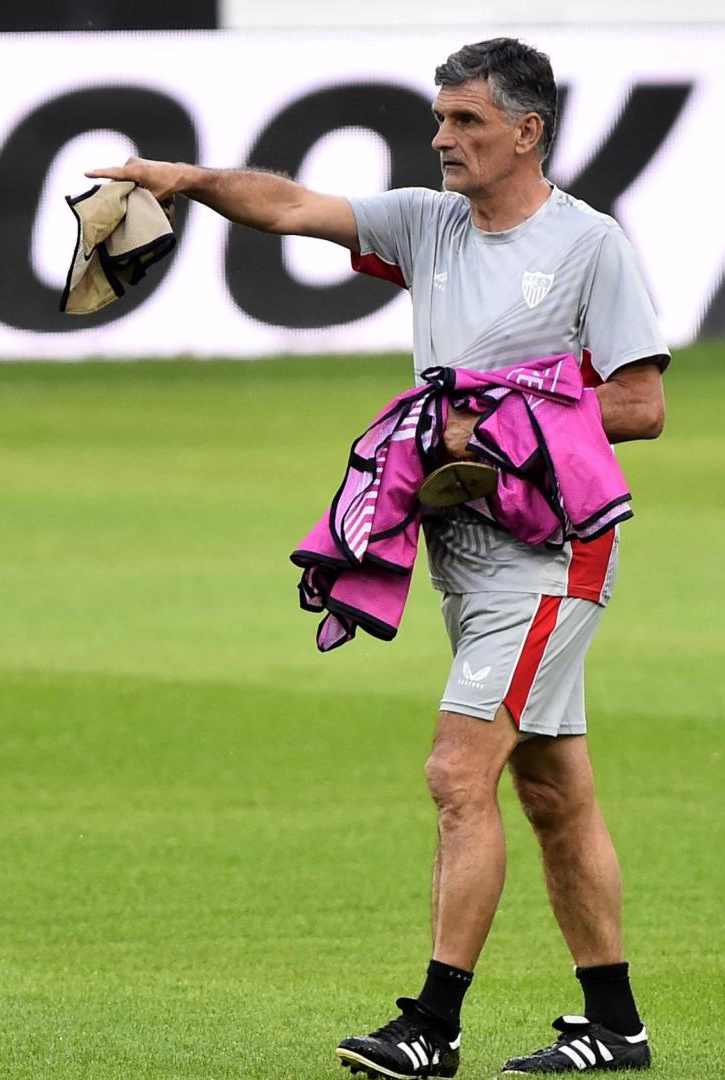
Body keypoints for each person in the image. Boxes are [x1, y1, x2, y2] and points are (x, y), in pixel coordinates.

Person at [89, 37, 668, 1079]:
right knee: (553, 794)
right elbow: (290, 206)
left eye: (466, 123)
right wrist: (190, 181)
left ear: (527, 131)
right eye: (440, 120)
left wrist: (490, 431)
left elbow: (641, 404)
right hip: (466, 556)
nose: (441, 139)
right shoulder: (428, 224)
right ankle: (615, 1027)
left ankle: (432, 1030)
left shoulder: (590, 246)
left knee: (458, 775)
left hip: (553, 556)